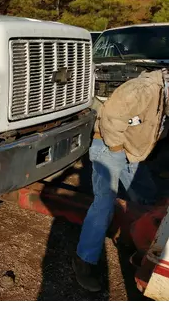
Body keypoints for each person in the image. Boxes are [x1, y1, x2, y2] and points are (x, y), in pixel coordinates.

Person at [73, 68, 169, 292]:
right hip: (110, 148)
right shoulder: (140, 89)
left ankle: (143, 243)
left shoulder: (161, 95)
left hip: (130, 152)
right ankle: (83, 260)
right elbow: (110, 116)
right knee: (103, 205)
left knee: (147, 197)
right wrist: (117, 149)